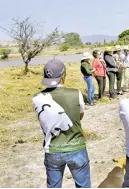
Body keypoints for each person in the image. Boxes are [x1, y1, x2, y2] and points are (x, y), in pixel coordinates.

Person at [32, 59, 91, 188]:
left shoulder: (36, 98)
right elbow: (79, 117)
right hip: (76, 147)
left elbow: (44, 121)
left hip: (52, 149)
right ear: (63, 76)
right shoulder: (76, 94)